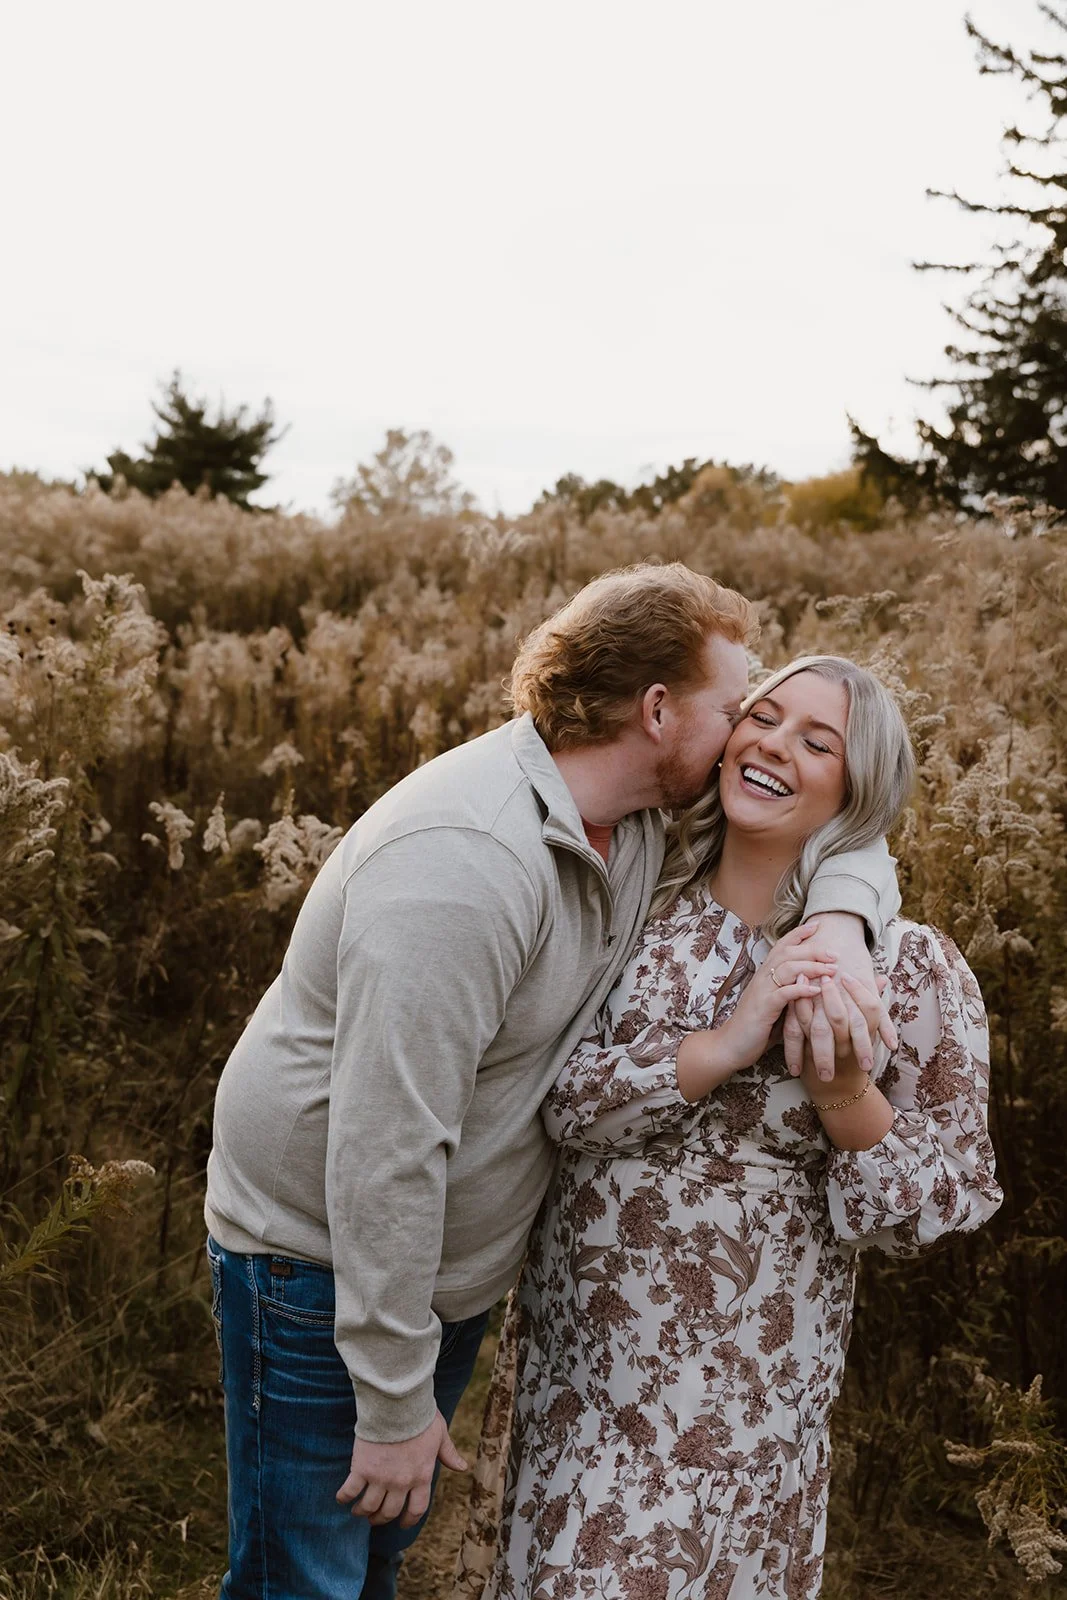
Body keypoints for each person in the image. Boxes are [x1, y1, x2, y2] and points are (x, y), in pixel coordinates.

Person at [203, 569, 900, 1600]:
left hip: (432, 1272)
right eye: (735, 711)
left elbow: (851, 814)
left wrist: (840, 917)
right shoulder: (463, 865)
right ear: (658, 712)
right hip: (319, 1266)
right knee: (303, 1579)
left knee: (368, 1563)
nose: (748, 739)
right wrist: (394, 1405)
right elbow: (384, 1147)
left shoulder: (634, 824)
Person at [457, 655, 1002, 1600]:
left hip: (747, 1396)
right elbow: (556, 1102)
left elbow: (940, 1202)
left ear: (857, 786)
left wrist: (842, 1096)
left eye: (816, 740)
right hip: (583, 1372)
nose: (773, 746)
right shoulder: (632, 901)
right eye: (763, 716)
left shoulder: (905, 970)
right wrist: (724, 1040)